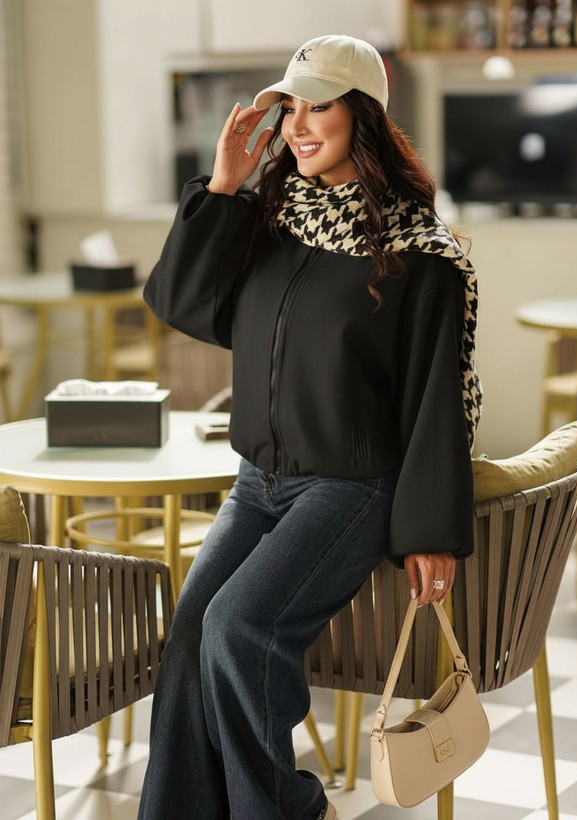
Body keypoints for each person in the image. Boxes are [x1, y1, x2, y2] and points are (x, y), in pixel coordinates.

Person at [137, 34, 480, 820]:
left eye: (316, 106)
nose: (296, 125)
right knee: (189, 641)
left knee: (237, 629)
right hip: (257, 482)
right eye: (288, 106)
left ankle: (287, 811)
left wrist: (431, 530)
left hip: (349, 489)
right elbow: (183, 304)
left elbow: (437, 397)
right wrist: (223, 187)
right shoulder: (272, 219)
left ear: (362, 116)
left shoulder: (420, 253)